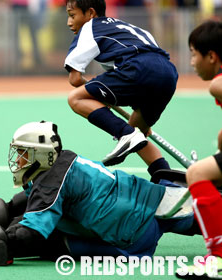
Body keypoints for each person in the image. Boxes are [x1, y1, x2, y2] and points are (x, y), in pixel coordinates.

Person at [0, 121, 200, 265]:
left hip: (132, 238)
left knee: (42, 237)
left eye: (23, 153)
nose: (18, 160)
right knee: (197, 218)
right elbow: (38, 199)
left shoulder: (50, 184)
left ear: (39, 155)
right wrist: (7, 209)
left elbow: (29, 233)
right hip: (149, 200)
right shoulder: (64, 160)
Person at [64, 0, 178, 170]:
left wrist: (98, 96)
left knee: (75, 98)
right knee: (138, 132)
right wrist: (104, 94)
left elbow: (74, 79)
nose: (69, 22)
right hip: (168, 73)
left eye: (72, 16)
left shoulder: (90, 27)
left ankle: (125, 134)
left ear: (90, 13)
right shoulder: (126, 27)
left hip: (138, 68)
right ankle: (163, 174)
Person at [175, 20, 222, 279]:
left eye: (194, 54)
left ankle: (217, 257)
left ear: (212, 57)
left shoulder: (217, 83)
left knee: (197, 174)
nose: (192, 62)